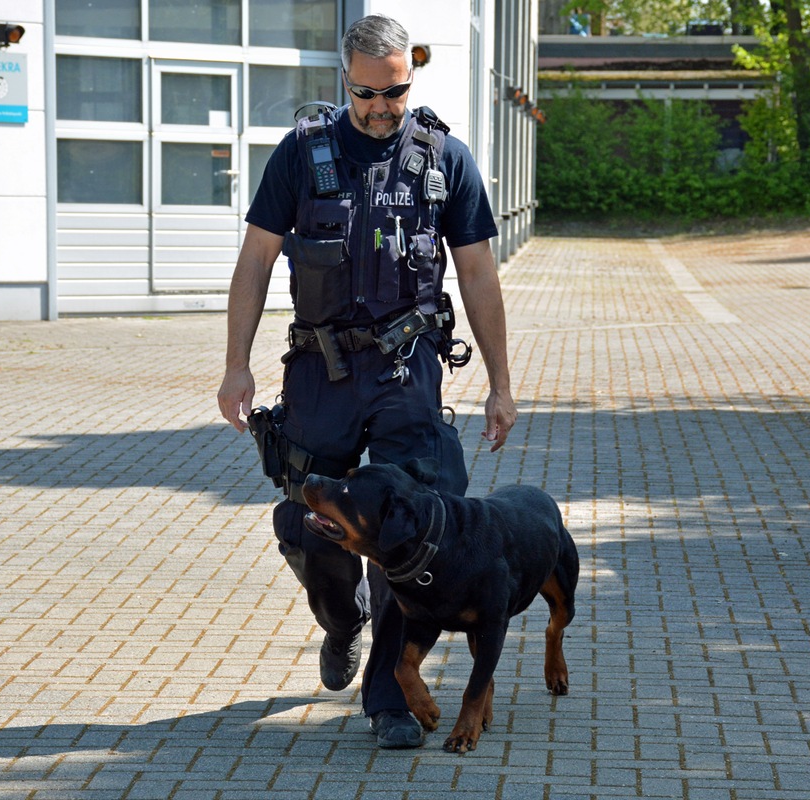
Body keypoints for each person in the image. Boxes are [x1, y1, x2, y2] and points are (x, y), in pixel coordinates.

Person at [216, 13, 516, 750]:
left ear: (410, 76)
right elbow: (255, 261)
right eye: (367, 94)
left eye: (397, 92)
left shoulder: (445, 159)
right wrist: (234, 363)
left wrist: (501, 382)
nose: (383, 107)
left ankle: (386, 699)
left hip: (407, 371)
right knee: (305, 523)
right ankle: (341, 619)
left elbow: (477, 272)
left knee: (407, 531)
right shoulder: (300, 156)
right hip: (319, 371)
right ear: (343, 79)